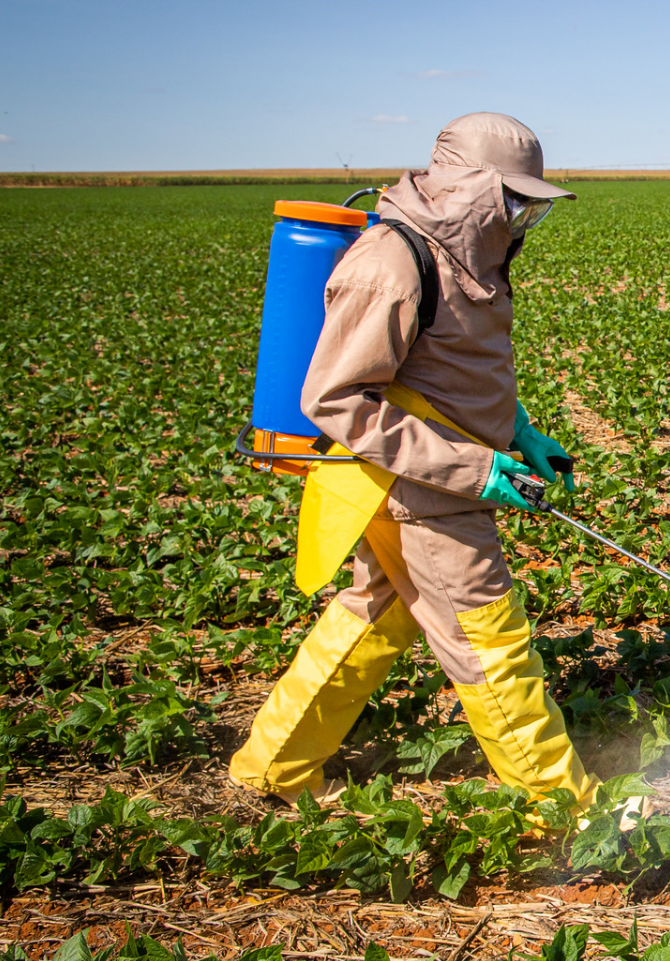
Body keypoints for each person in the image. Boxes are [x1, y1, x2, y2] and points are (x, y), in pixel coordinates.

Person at [230, 112, 597, 808]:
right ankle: (564, 809)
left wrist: (518, 433)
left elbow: (445, 372)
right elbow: (336, 399)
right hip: (421, 492)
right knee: (492, 644)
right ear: (470, 190)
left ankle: (272, 765)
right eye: (511, 199)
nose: (521, 216)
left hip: (433, 480)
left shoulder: (468, 255)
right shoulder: (392, 265)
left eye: (529, 203)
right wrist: (476, 470)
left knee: (376, 613)